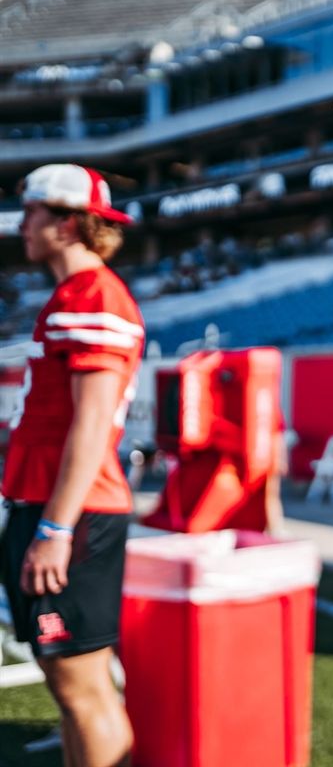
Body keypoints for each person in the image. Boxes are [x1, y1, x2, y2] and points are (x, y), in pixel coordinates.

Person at [1, 164, 142, 766]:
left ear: (68, 223)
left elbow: (90, 426)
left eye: (33, 212)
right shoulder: (70, 296)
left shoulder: (92, 295)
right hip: (55, 509)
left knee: (83, 689)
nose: (21, 226)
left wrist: (55, 530)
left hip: (73, 517)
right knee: (68, 685)